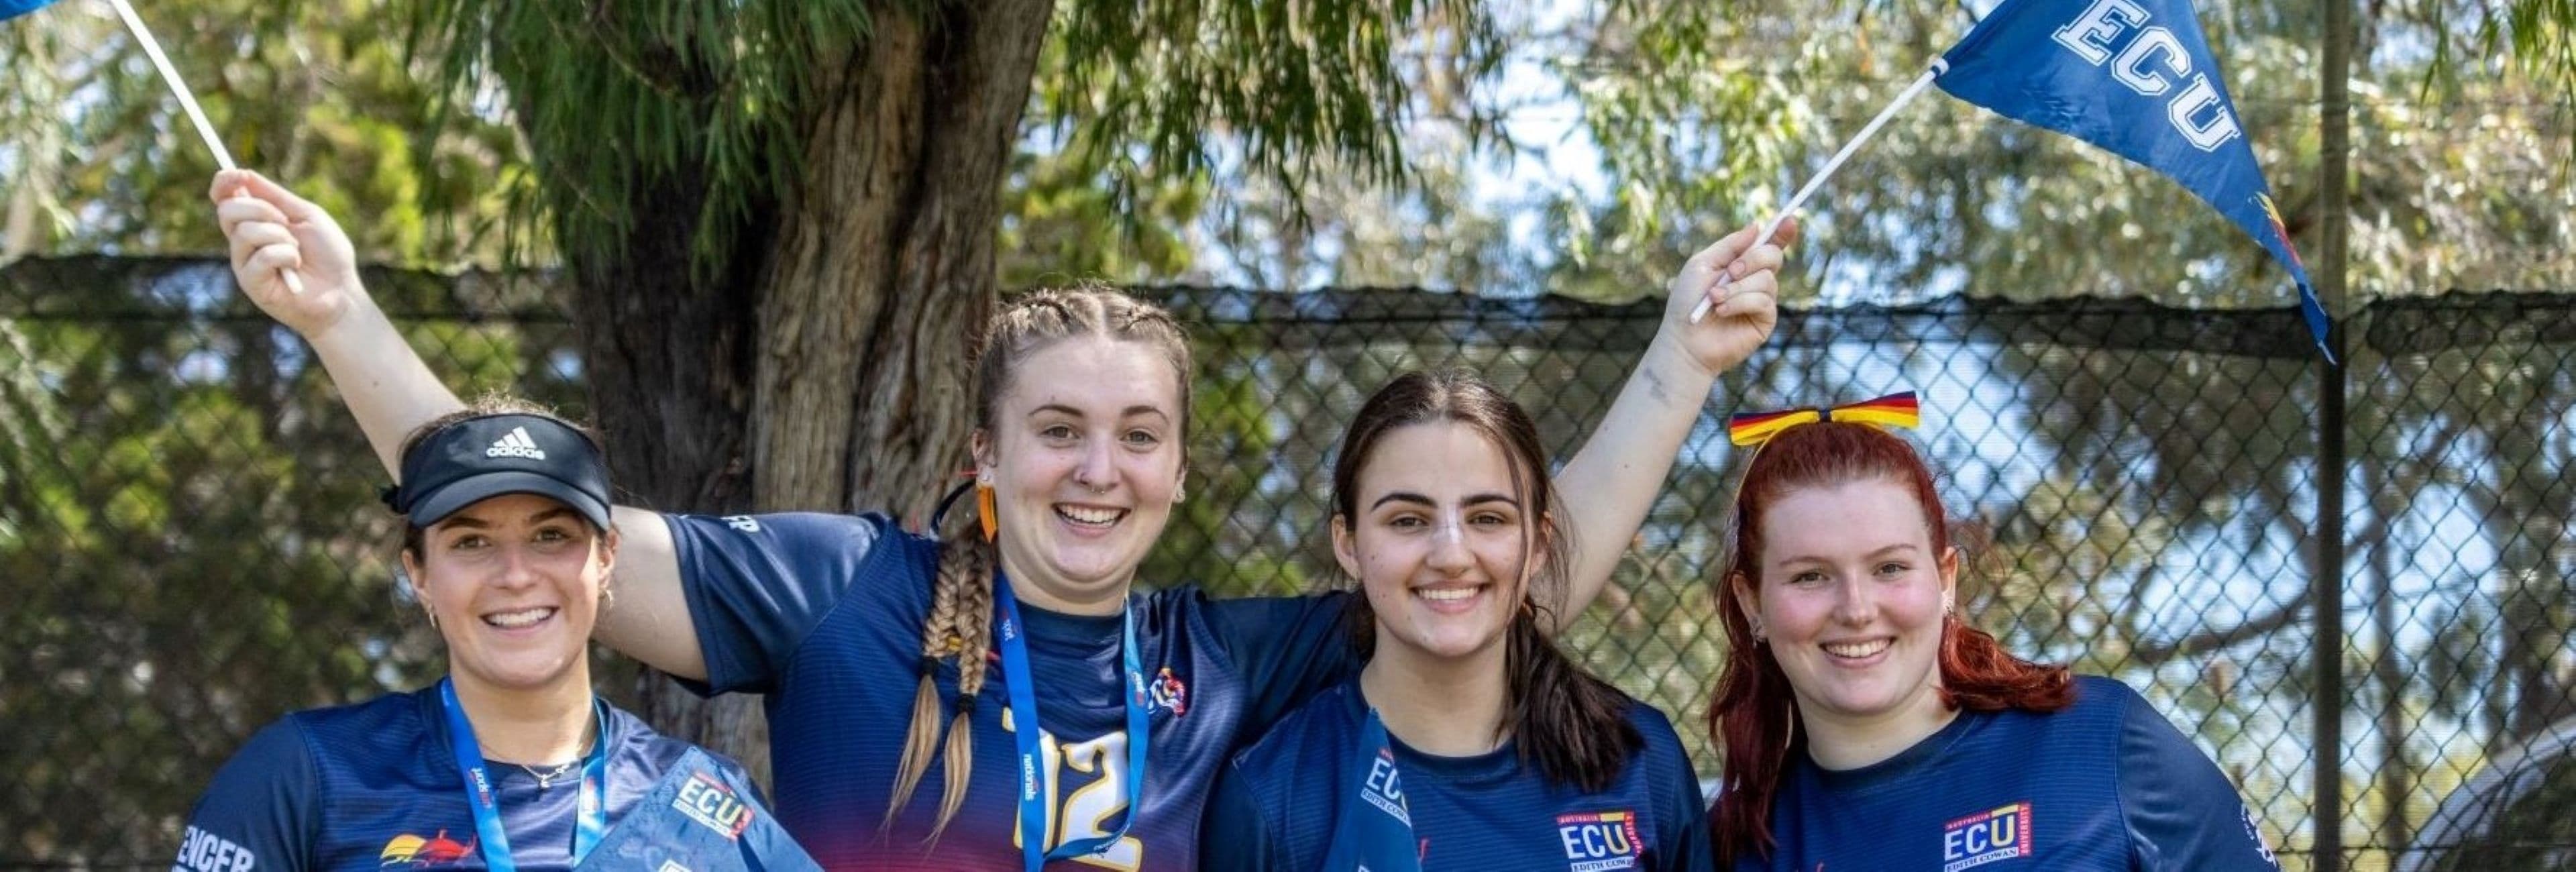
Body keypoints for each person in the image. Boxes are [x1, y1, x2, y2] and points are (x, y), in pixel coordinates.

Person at [210, 168, 1794, 869]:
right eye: (1055, 430)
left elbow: (1515, 567)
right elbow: (538, 529)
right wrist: (344, 318)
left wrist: (1678, 358)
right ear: (984, 449)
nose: (1092, 470)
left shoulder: (1240, 659)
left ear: (1178, 471)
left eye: (1134, 435)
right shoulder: (842, 590)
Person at [173, 400, 818, 872]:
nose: (516, 576)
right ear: (419, 574)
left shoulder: (699, 797)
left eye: (551, 536)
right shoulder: (308, 774)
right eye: (472, 541)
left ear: (605, 558)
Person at [1703, 406, 2282, 871]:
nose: (1857, 609)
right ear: (1753, 603)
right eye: (1811, 576)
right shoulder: (1731, 846)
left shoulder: (2101, 743)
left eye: (1890, 569)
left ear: (1946, 579)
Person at [1202, 370, 1711, 871]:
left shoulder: (1641, 762)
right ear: (1349, 544)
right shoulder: (1270, 797)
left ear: (1539, 543)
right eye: (1407, 520)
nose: (1451, 554)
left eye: (1488, 519)